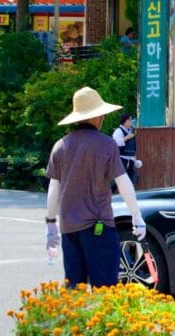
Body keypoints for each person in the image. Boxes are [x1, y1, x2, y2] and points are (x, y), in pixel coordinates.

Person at [45, 87, 146, 288]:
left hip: (69, 231)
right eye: (102, 114)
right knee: (105, 291)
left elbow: (53, 188)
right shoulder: (106, 144)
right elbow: (123, 182)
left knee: (75, 292)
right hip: (99, 229)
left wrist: (50, 224)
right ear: (97, 116)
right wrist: (137, 216)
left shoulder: (60, 145)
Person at [111, 114, 141, 186]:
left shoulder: (130, 131)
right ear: (124, 121)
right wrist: (126, 137)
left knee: (130, 181)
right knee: (120, 180)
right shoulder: (118, 131)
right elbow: (115, 143)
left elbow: (132, 147)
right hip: (121, 159)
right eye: (129, 120)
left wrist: (135, 160)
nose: (131, 121)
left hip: (130, 160)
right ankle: (111, 190)